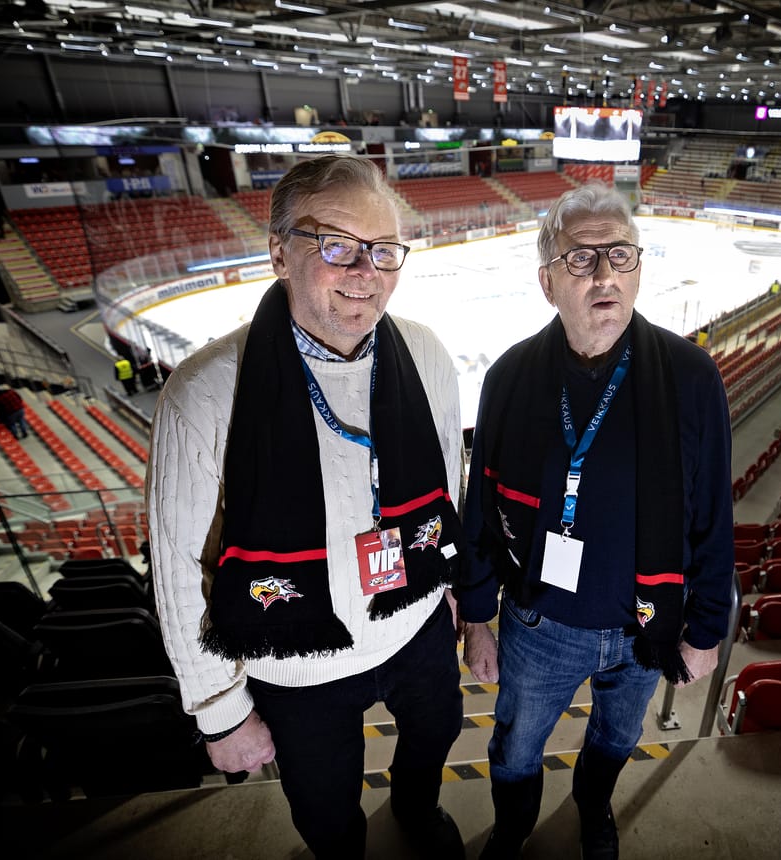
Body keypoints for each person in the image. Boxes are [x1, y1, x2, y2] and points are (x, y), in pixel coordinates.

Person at [146, 155, 467, 860]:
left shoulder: (427, 352)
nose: (365, 272)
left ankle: (417, 808)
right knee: (324, 808)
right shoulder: (204, 393)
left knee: (437, 736)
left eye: (384, 250)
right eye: (335, 245)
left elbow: (449, 484)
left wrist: (443, 587)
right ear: (278, 253)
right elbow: (176, 570)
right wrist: (220, 713)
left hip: (414, 625)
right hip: (296, 664)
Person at [457, 183, 735, 859]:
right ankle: (515, 827)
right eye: (582, 259)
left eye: (620, 254)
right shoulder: (510, 378)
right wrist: (475, 616)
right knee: (515, 747)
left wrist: (704, 630)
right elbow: (480, 509)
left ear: (638, 268)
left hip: (647, 626)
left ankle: (593, 804)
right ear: (548, 281)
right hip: (538, 627)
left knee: (616, 738)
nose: (605, 274)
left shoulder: (692, 377)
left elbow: (712, 516)